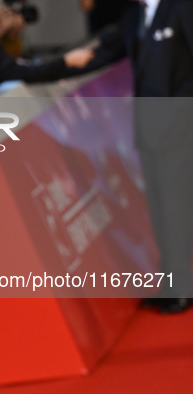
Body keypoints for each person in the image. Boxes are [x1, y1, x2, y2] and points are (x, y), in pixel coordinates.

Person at [71, 0, 193, 313]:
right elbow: (103, 53)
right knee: (161, 210)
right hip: (149, 131)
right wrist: (42, 68)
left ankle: (180, 286)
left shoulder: (181, 8)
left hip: (180, 130)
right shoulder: (132, 16)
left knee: (176, 209)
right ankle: (171, 283)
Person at [0, 0, 95, 97]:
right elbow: (18, 72)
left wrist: (1, 33)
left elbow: (10, 61)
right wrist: (65, 62)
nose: (4, 10)